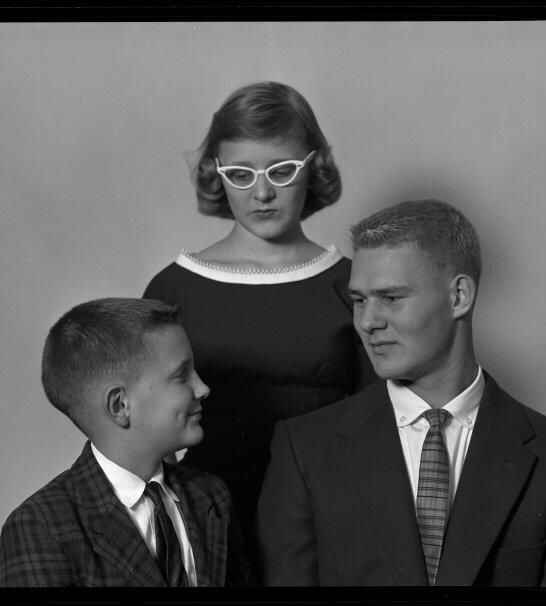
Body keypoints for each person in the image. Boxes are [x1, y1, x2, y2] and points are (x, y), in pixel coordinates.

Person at [253, 200, 546, 600]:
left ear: (459, 295)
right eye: (359, 300)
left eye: (391, 297)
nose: (368, 322)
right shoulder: (304, 449)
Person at [143, 81, 375, 539]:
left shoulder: (351, 284)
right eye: (241, 174)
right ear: (216, 173)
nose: (262, 193)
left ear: (315, 167)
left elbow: (378, 421)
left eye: (282, 171)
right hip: (206, 520)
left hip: (329, 515)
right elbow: (150, 432)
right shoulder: (174, 288)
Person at [0, 298, 251, 587]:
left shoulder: (211, 495)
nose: (203, 388)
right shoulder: (41, 526)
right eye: (181, 375)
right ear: (120, 406)